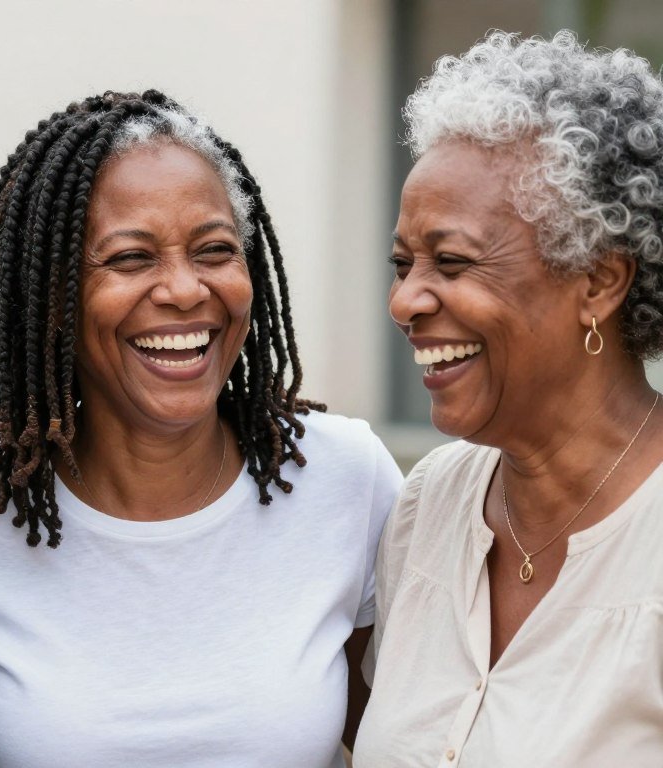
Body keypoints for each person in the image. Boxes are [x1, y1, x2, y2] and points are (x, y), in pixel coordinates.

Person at [0, 90, 402, 768]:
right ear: (52, 295)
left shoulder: (347, 480)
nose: (185, 289)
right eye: (132, 258)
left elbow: (404, 744)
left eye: (215, 250)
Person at [354, 31, 663, 766]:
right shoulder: (431, 503)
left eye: (452, 262)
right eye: (403, 263)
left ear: (598, 282)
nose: (404, 301)